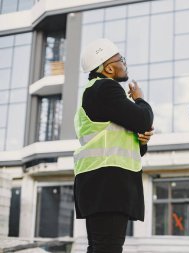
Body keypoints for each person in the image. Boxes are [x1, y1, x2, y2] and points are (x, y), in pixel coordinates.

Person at [74, 38, 154, 253]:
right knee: (107, 248)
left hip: (97, 182)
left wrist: (141, 142)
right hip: (108, 183)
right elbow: (143, 120)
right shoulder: (106, 87)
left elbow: (121, 137)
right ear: (109, 68)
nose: (124, 63)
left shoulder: (93, 92)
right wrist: (140, 100)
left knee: (100, 247)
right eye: (121, 59)